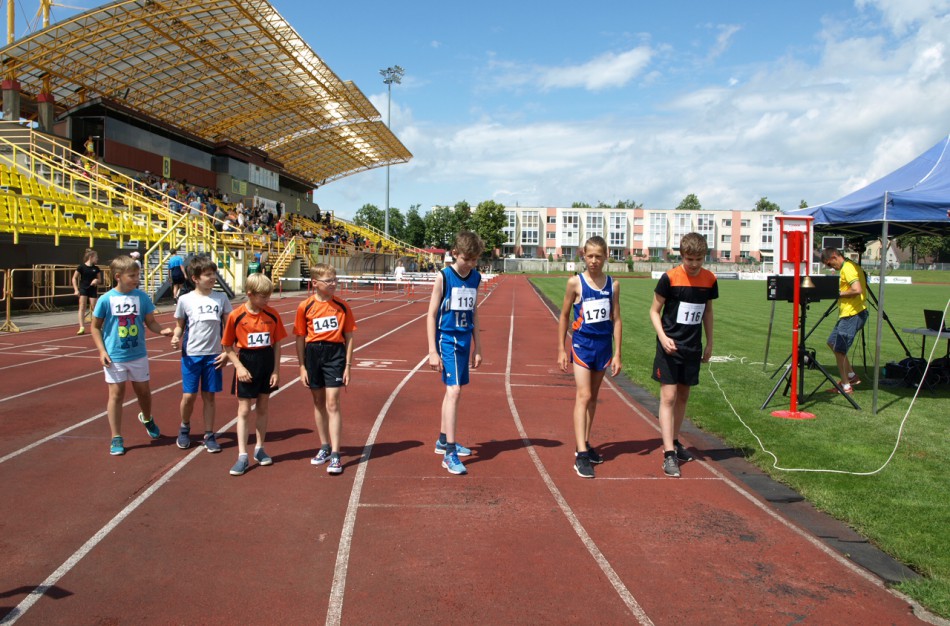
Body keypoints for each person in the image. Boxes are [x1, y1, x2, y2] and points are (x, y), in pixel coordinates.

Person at [649, 232, 717, 478]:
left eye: (699, 259)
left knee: (684, 395)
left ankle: (675, 441)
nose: (694, 264)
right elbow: (654, 311)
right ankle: (668, 454)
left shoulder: (710, 279)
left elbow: (707, 311)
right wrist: (663, 337)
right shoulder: (669, 278)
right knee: (668, 396)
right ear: (681, 256)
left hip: (692, 347)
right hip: (670, 347)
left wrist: (710, 341)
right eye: (689, 259)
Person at [90, 255, 173, 456]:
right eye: (132, 275)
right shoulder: (106, 299)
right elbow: (95, 327)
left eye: (138, 275)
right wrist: (102, 351)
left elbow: (150, 322)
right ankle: (116, 436)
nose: (137, 279)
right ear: (118, 276)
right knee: (116, 395)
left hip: (138, 355)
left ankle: (147, 417)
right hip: (115, 356)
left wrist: (161, 330)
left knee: (143, 392)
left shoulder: (142, 297)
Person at [557, 236, 623, 479]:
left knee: (593, 398)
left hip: (603, 347)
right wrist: (561, 349)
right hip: (582, 345)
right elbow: (564, 316)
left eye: (599, 256)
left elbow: (616, 319)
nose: (594, 261)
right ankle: (581, 455)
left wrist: (617, 353)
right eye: (590, 256)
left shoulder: (613, 285)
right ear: (583, 255)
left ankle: (583, 442)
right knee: (583, 395)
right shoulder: (575, 283)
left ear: (606, 256)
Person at [426, 231, 485, 475]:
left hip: (464, 340)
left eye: (474, 260)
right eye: (467, 259)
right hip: (447, 339)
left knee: (454, 390)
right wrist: (432, 350)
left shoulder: (476, 278)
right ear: (455, 254)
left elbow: (474, 312)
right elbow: (431, 314)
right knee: (454, 390)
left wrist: (478, 346)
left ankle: (442, 440)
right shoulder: (443, 277)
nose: (470, 264)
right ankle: (449, 452)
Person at [295, 263, 357, 475]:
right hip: (313, 354)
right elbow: (300, 337)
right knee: (318, 401)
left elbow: (349, 337)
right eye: (328, 280)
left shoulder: (342, 306)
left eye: (334, 279)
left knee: (333, 402)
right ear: (315, 283)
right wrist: (302, 366)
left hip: (335, 354)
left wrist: (348, 365)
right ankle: (324, 447)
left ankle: (337, 454)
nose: (333, 283)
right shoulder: (305, 307)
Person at [223, 273, 287, 476]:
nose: (267, 301)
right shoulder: (236, 315)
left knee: (263, 406)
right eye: (263, 297)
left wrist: (276, 369)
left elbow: (277, 344)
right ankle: (242, 455)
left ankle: (260, 448)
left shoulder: (272, 314)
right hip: (247, 362)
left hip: (266, 361)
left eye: (269, 296)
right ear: (250, 294)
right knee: (243, 410)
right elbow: (227, 345)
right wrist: (239, 367)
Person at [170, 257, 232, 453]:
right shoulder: (185, 299)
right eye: (208, 275)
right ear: (195, 278)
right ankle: (184, 426)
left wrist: (227, 352)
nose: (213, 277)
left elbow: (228, 327)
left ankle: (209, 433)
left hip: (213, 355)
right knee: (189, 396)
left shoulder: (221, 298)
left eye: (214, 274)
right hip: (191, 355)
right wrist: (175, 337)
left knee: (209, 397)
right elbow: (180, 326)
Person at [821, 247, 868, 394]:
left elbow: (857, 289)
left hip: (853, 314)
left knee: (840, 350)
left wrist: (838, 293)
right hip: (847, 314)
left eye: (829, 264)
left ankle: (846, 386)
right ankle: (851, 376)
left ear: (834, 256)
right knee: (832, 342)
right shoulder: (847, 267)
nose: (830, 267)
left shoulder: (848, 268)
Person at [72, 248, 102, 335]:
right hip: (83, 288)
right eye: (96, 257)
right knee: (82, 306)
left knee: (94, 307)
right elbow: (74, 278)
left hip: (92, 289)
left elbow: (100, 280)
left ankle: (97, 325)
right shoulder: (81, 267)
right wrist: (76, 289)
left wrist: (96, 280)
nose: (97, 259)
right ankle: (81, 327)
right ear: (91, 257)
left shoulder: (96, 268)